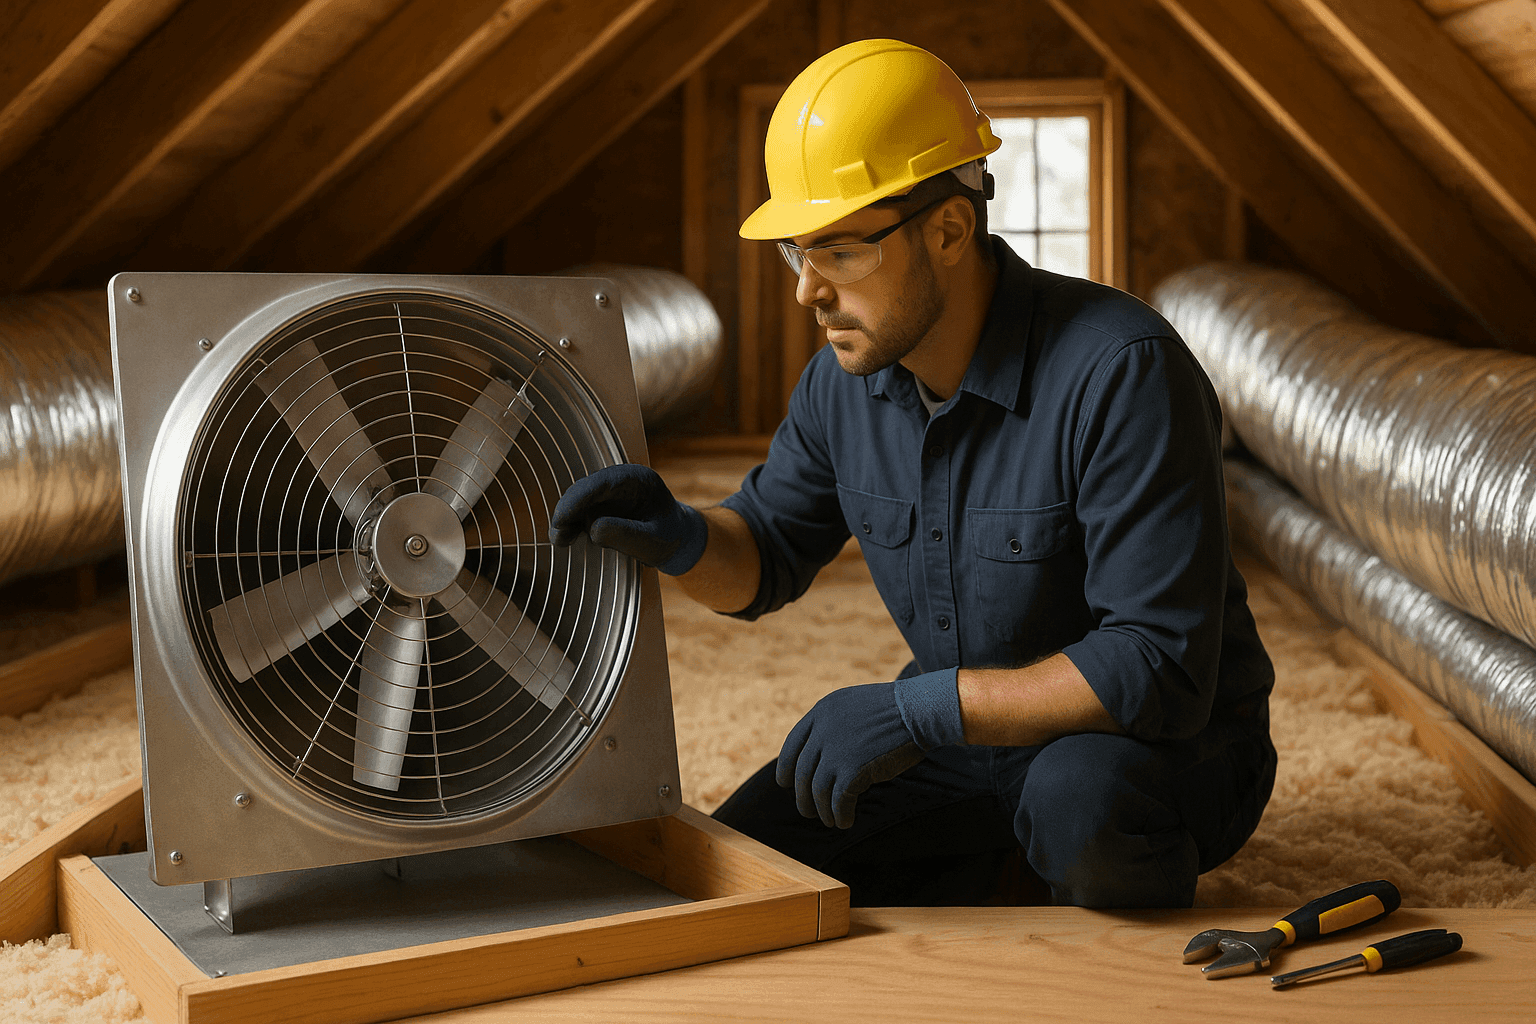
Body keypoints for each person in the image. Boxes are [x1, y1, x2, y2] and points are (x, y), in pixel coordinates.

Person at [550, 38, 1276, 908]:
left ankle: (1036, 873)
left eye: (840, 253)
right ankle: (1004, 866)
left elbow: (1158, 666)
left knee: (1079, 807)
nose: (807, 292)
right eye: (797, 253)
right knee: (744, 869)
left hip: (1156, 744)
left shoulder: (1121, 371)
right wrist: (680, 536)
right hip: (968, 738)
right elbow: (766, 553)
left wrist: (918, 712)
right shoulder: (842, 385)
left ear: (950, 231)